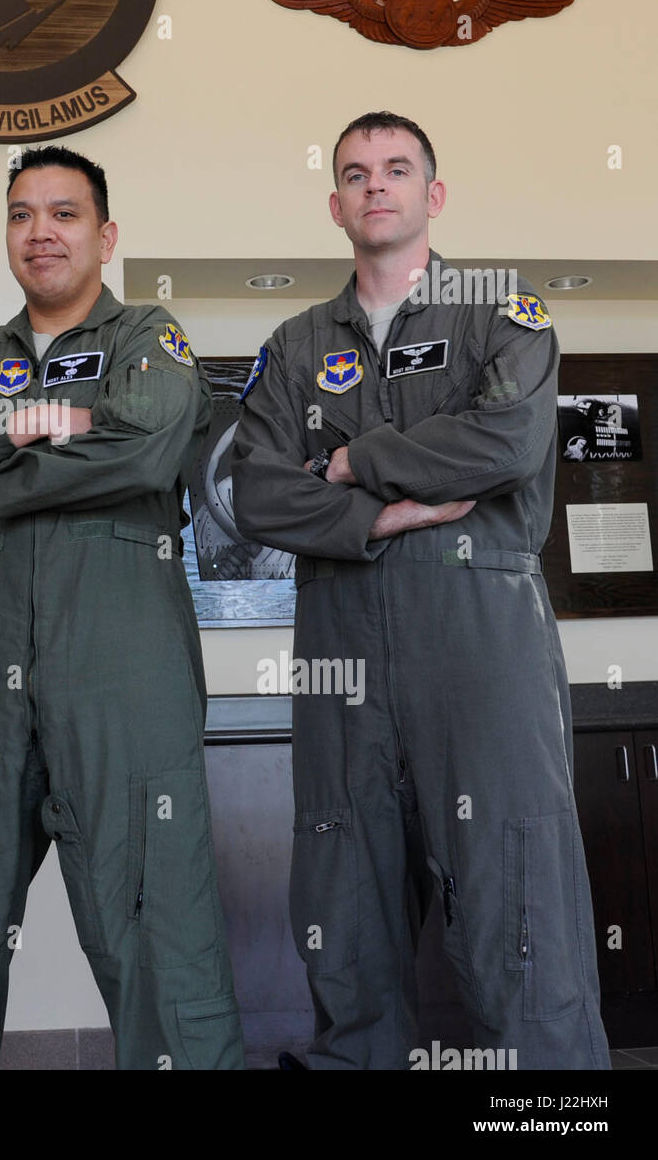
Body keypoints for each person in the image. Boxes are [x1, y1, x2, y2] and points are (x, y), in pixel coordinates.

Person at [229, 112, 609, 1069]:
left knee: (516, 897)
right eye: (355, 173)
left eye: (396, 168)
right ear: (335, 205)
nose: (376, 185)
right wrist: (376, 517)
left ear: (432, 195)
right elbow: (254, 491)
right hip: (341, 651)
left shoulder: (500, 311)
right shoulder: (295, 341)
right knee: (343, 906)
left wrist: (352, 459)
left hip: (481, 644)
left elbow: (509, 442)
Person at [0, 146, 243, 1070]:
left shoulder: (148, 339)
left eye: (64, 213)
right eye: (21, 214)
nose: (40, 232)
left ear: (105, 234)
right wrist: (44, 417)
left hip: (123, 673)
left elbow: (148, 444)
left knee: (155, 927)